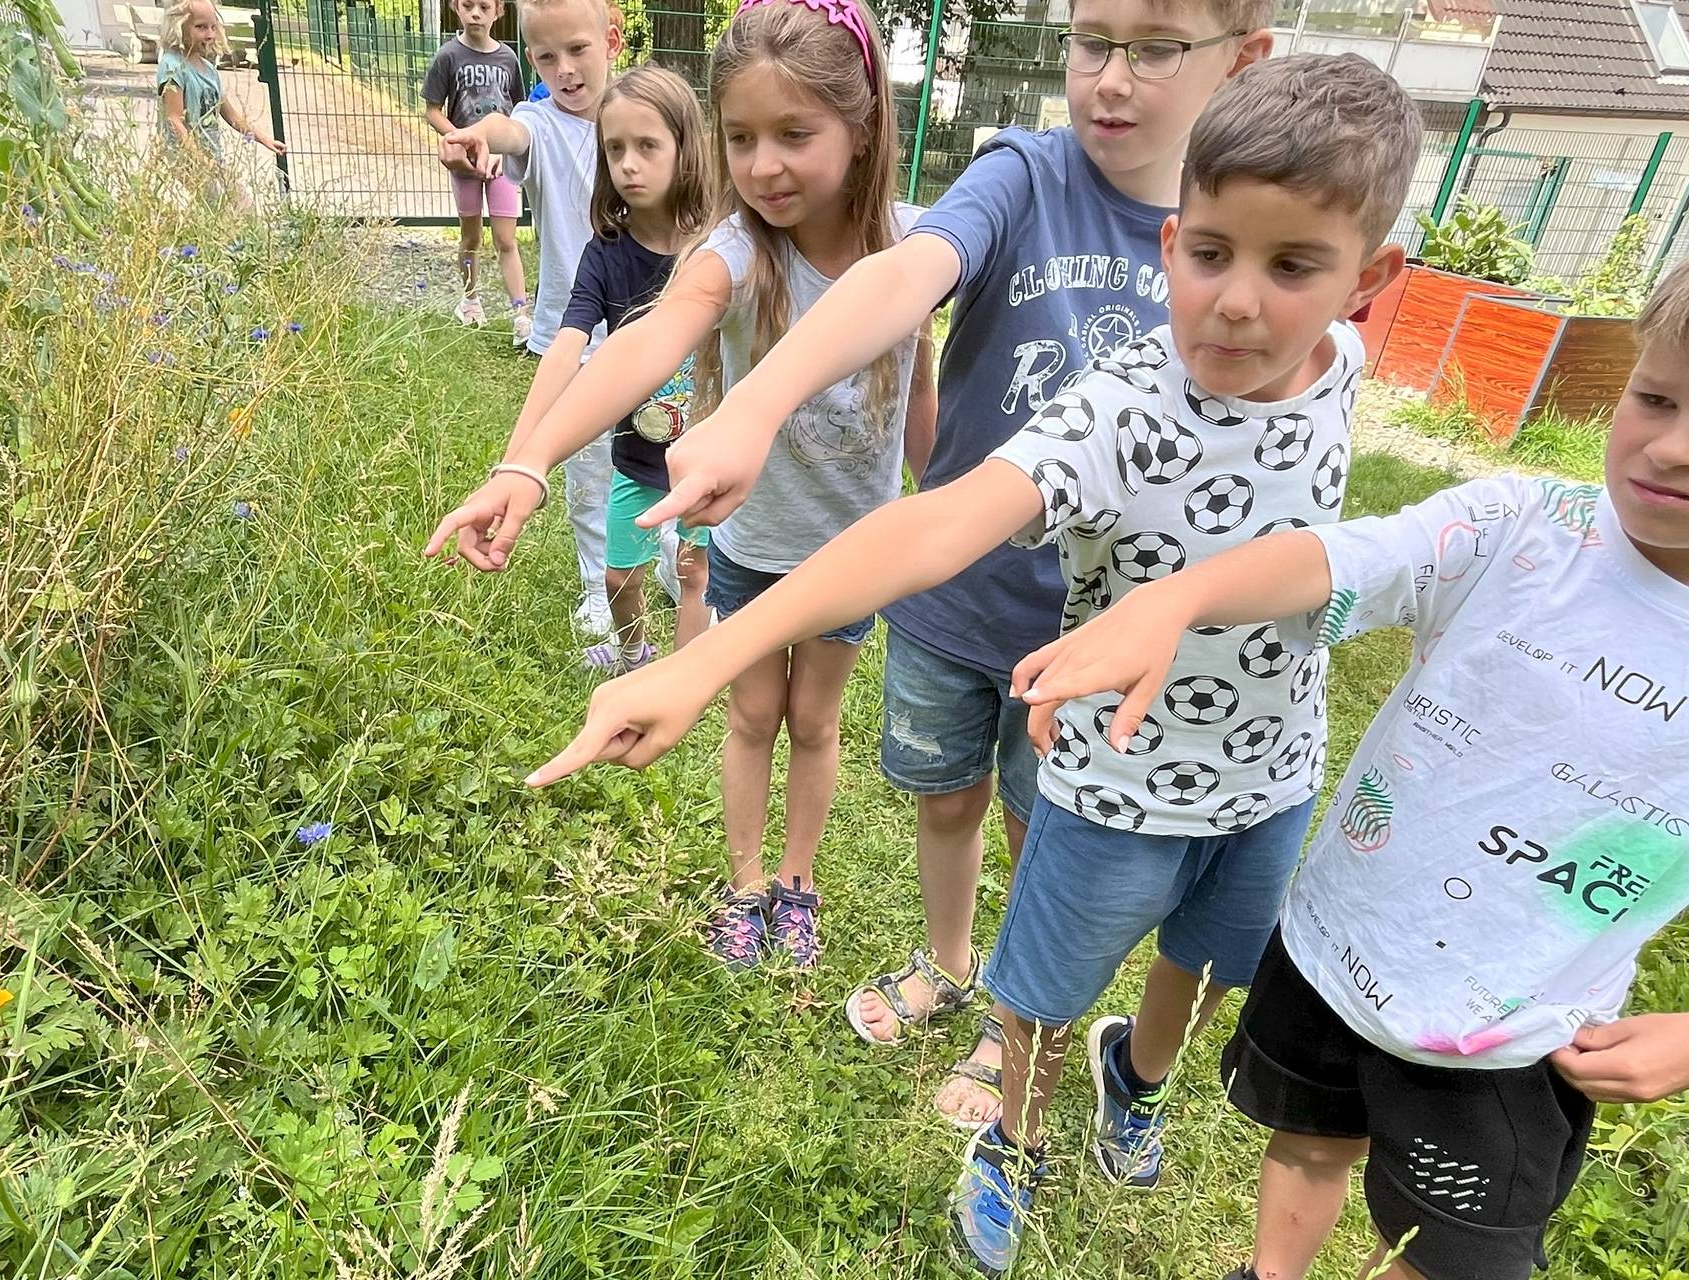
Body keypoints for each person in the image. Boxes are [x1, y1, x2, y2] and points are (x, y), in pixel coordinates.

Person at [527, 55, 1420, 1275]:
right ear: (1168, 246)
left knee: (1203, 964)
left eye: (1292, 268)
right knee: (1042, 985)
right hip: (1114, 777)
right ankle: (1011, 1138)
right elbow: (930, 520)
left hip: (1271, 772)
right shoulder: (1122, 406)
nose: (1235, 304)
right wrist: (702, 659)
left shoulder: (1347, 371)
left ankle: (1137, 1076)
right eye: (1207, 255)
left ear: (1370, 283)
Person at [1007, 188, 1689, 1280]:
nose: (1671, 446)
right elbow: (1349, 559)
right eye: (1653, 395)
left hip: (1517, 1027)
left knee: (1451, 1252)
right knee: (1307, 1138)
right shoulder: (1526, 527)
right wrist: (1178, 597)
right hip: (1334, 945)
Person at [618, 0, 1274, 1128]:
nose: (1111, 79)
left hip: (1080, 625)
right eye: (1089, 43)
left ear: (1242, 60)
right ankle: (947, 960)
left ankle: (1008, 1024)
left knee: (1041, 828)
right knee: (944, 802)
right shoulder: (1019, 173)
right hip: (941, 594)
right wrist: (755, 401)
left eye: (1155, 49)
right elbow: (901, 275)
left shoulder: (1237, 244)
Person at [429, 0, 937, 971]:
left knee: (815, 720)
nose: (763, 165)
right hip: (749, 546)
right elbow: (643, 344)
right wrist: (526, 460)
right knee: (750, 715)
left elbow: (922, 402)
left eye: (795, 133)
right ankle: (743, 884)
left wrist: (945, 499)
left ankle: (797, 880)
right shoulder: (734, 253)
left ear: (863, 123)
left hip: (850, 556)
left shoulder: (910, 250)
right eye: (740, 137)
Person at [486, 65, 718, 672]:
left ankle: (679, 679)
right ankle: (638, 654)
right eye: (615, 148)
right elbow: (566, 347)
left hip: (708, 458)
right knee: (620, 576)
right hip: (637, 455)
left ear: (685, 151)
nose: (629, 164)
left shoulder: (719, 247)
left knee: (697, 577)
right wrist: (519, 459)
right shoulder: (606, 253)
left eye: (647, 146)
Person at [440, 0, 627, 643]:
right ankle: (598, 586)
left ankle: (669, 570)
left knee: (665, 454)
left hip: (654, 335)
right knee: (587, 471)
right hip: (573, 337)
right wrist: (479, 137)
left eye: (577, 50)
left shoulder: (641, 119)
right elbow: (506, 128)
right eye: (545, 56)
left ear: (612, 38)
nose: (564, 69)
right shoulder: (538, 123)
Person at [422, 0, 533, 334]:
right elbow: (432, 110)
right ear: (456, 8)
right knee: (470, 237)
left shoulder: (509, 59)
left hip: (500, 164)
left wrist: (502, 151)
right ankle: (469, 301)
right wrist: (462, 138)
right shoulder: (448, 56)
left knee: (506, 239)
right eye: (468, 6)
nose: (475, 14)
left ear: (498, 12)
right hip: (464, 164)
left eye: (484, 7)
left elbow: (518, 110)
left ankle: (520, 314)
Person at [156, 0, 286, 173]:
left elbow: (233, 119)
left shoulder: (209, 70)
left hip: (212, 159)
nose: (210, 34)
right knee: (236, 200)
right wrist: (199, 160)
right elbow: (174, 120)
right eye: (201, 27)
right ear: (179, 26)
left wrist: (263, 140)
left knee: (235, 199)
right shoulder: (172, 66)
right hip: (185, 160)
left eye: (213, 27)